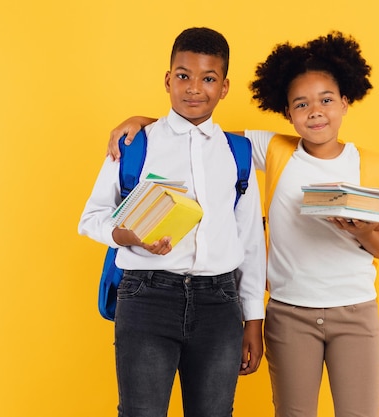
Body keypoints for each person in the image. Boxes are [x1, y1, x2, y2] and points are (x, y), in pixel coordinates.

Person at [107, 32, 379, 417]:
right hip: (290, 311)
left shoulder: (371, 165)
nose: (315, 111)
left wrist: (361, 230)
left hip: (356, 309)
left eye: (327, 100)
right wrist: (145, 123)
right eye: (301, 104)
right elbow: (199, 133)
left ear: (346, 101)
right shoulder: (273, 149)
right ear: (288, 113)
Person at [78, 27, 266, 417]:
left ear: (225, 86)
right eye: (183, 76)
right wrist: (125, 235)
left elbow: (250, 242)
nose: (194, 88)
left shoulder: (238, 152)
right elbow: (90, 219)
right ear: (167, 80)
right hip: (147, 299)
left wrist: (254, 319)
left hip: (220, 304)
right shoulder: (134, 143)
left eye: (208, 79)